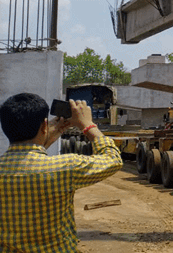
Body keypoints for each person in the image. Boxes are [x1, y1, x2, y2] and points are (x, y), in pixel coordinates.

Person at [0, 94, 122, 251]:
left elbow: (27, 162)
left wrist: (44, 139)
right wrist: (88, 125)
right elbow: (113, 159)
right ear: (44, 126)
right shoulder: (65, 167)